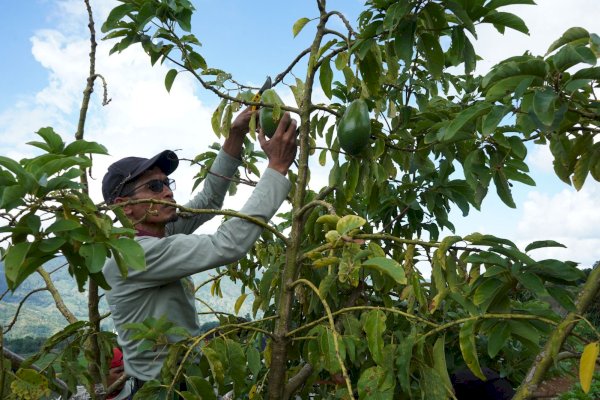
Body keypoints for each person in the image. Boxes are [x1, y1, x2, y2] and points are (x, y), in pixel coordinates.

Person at [101, 107, 297, 387]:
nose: (168, 192)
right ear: (125, 208)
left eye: (167, 183)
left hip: (179, 378)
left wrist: (235, 135)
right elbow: (226, 244)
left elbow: (208, 200)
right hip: (162, 388)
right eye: (155, 187)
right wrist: (277, 168)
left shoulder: (156, 235)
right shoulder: (135, 255)